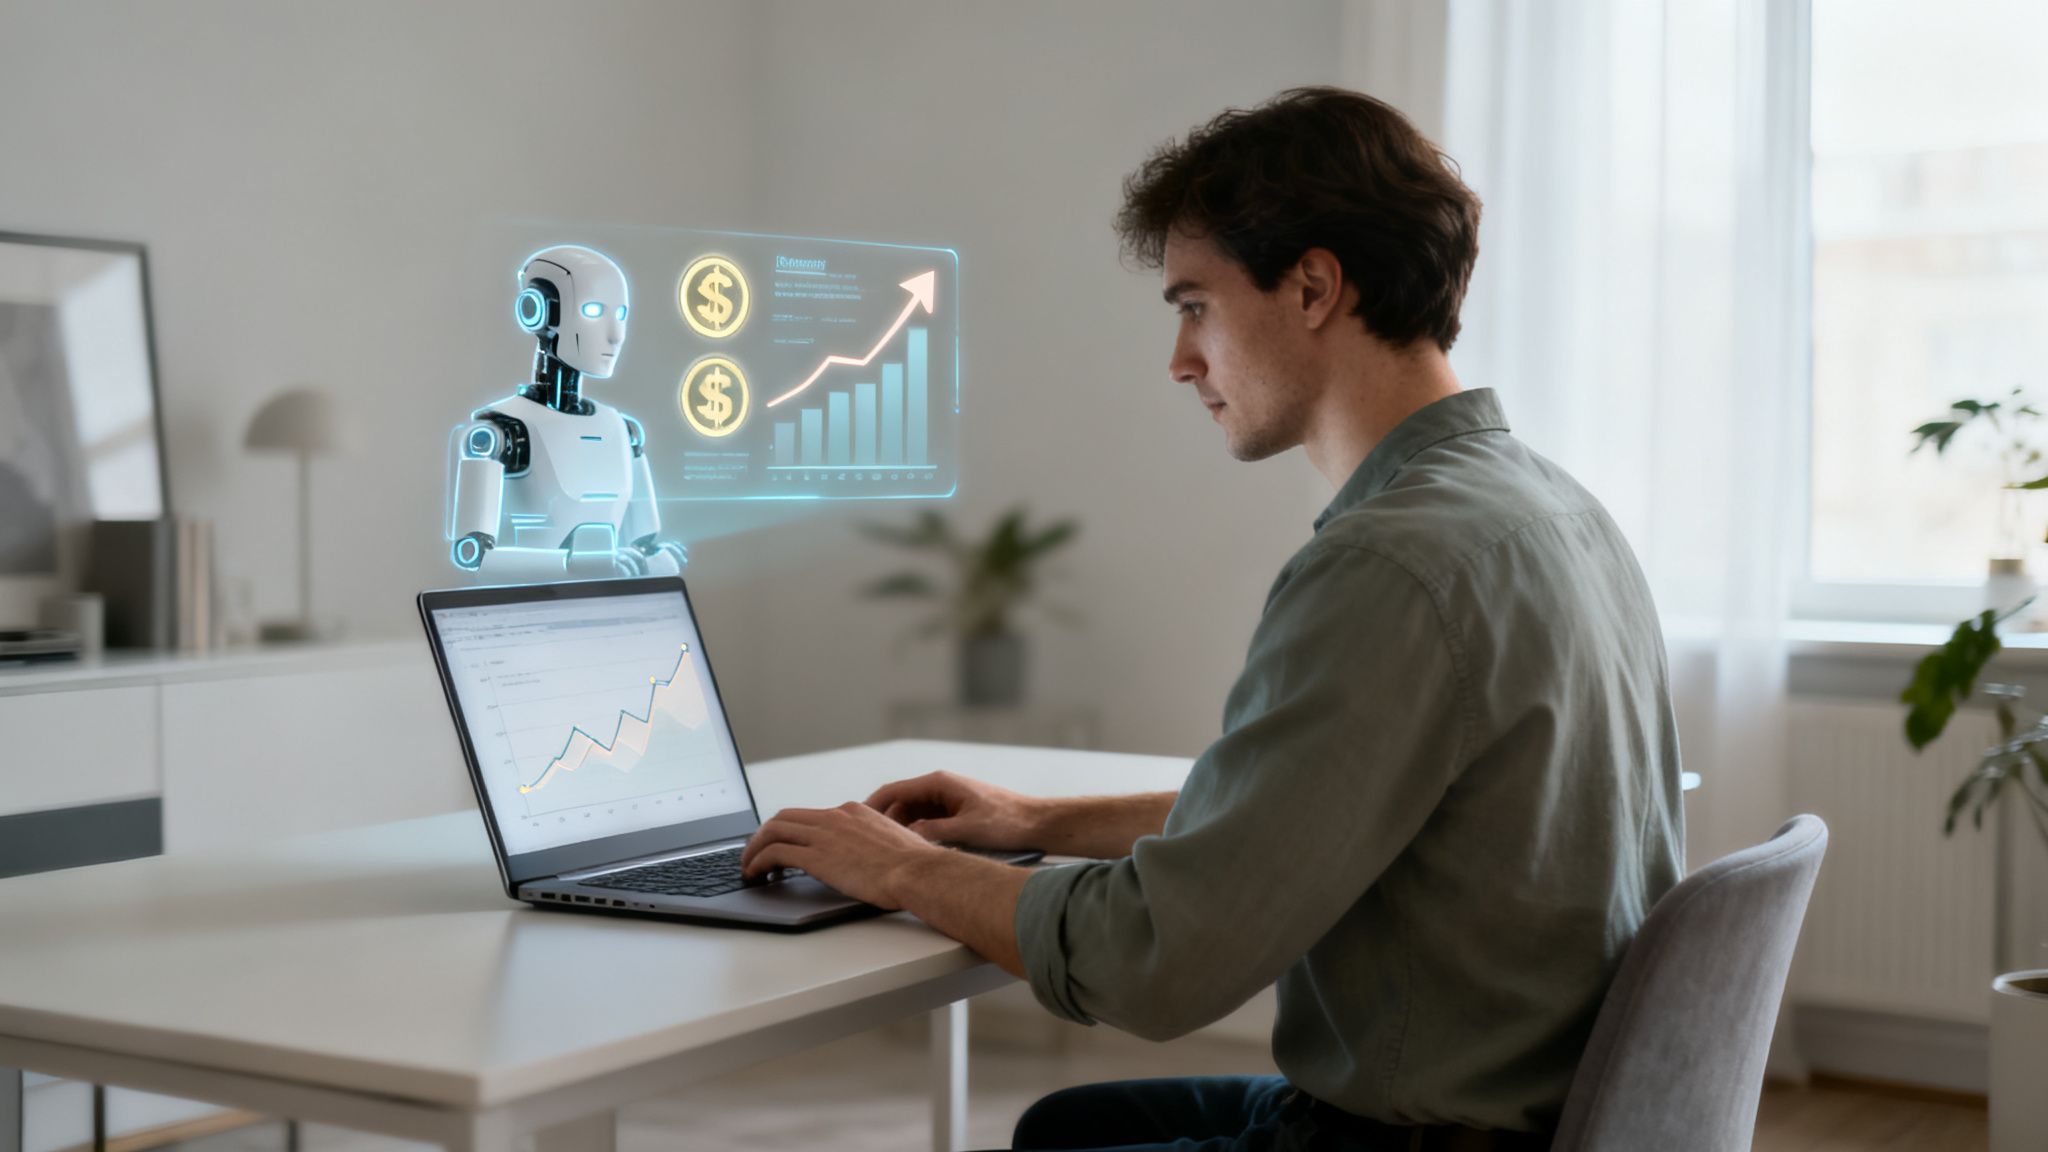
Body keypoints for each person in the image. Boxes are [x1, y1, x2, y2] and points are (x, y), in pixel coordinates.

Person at [740, 86, 1685, 1151]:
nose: (1180, 360)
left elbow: (1149, 960)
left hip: (1417, 1135)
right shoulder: (1552, 508)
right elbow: (1301, 810)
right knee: (1061, 1125)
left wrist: (901, 868)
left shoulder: (1386, 564)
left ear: (1313, 286)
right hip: (1527, 1106)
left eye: (1194, 305)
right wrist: (1036, 823)